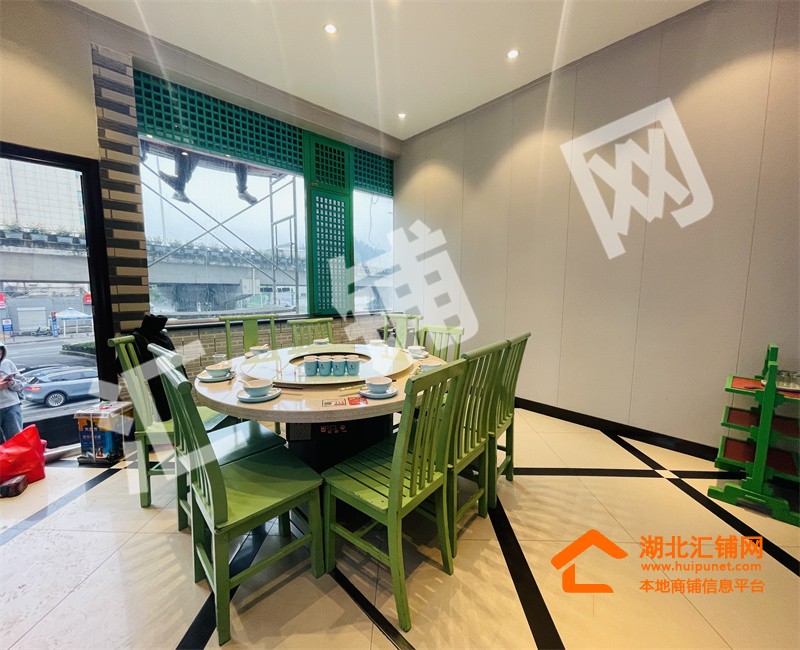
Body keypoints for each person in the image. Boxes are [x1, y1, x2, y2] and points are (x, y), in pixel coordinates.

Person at [0, 341, 24, 442]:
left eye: (0, 353)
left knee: (17, 441)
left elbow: (22, 384)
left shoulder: (7, 363)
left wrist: (12, 383)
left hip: (12, 406)